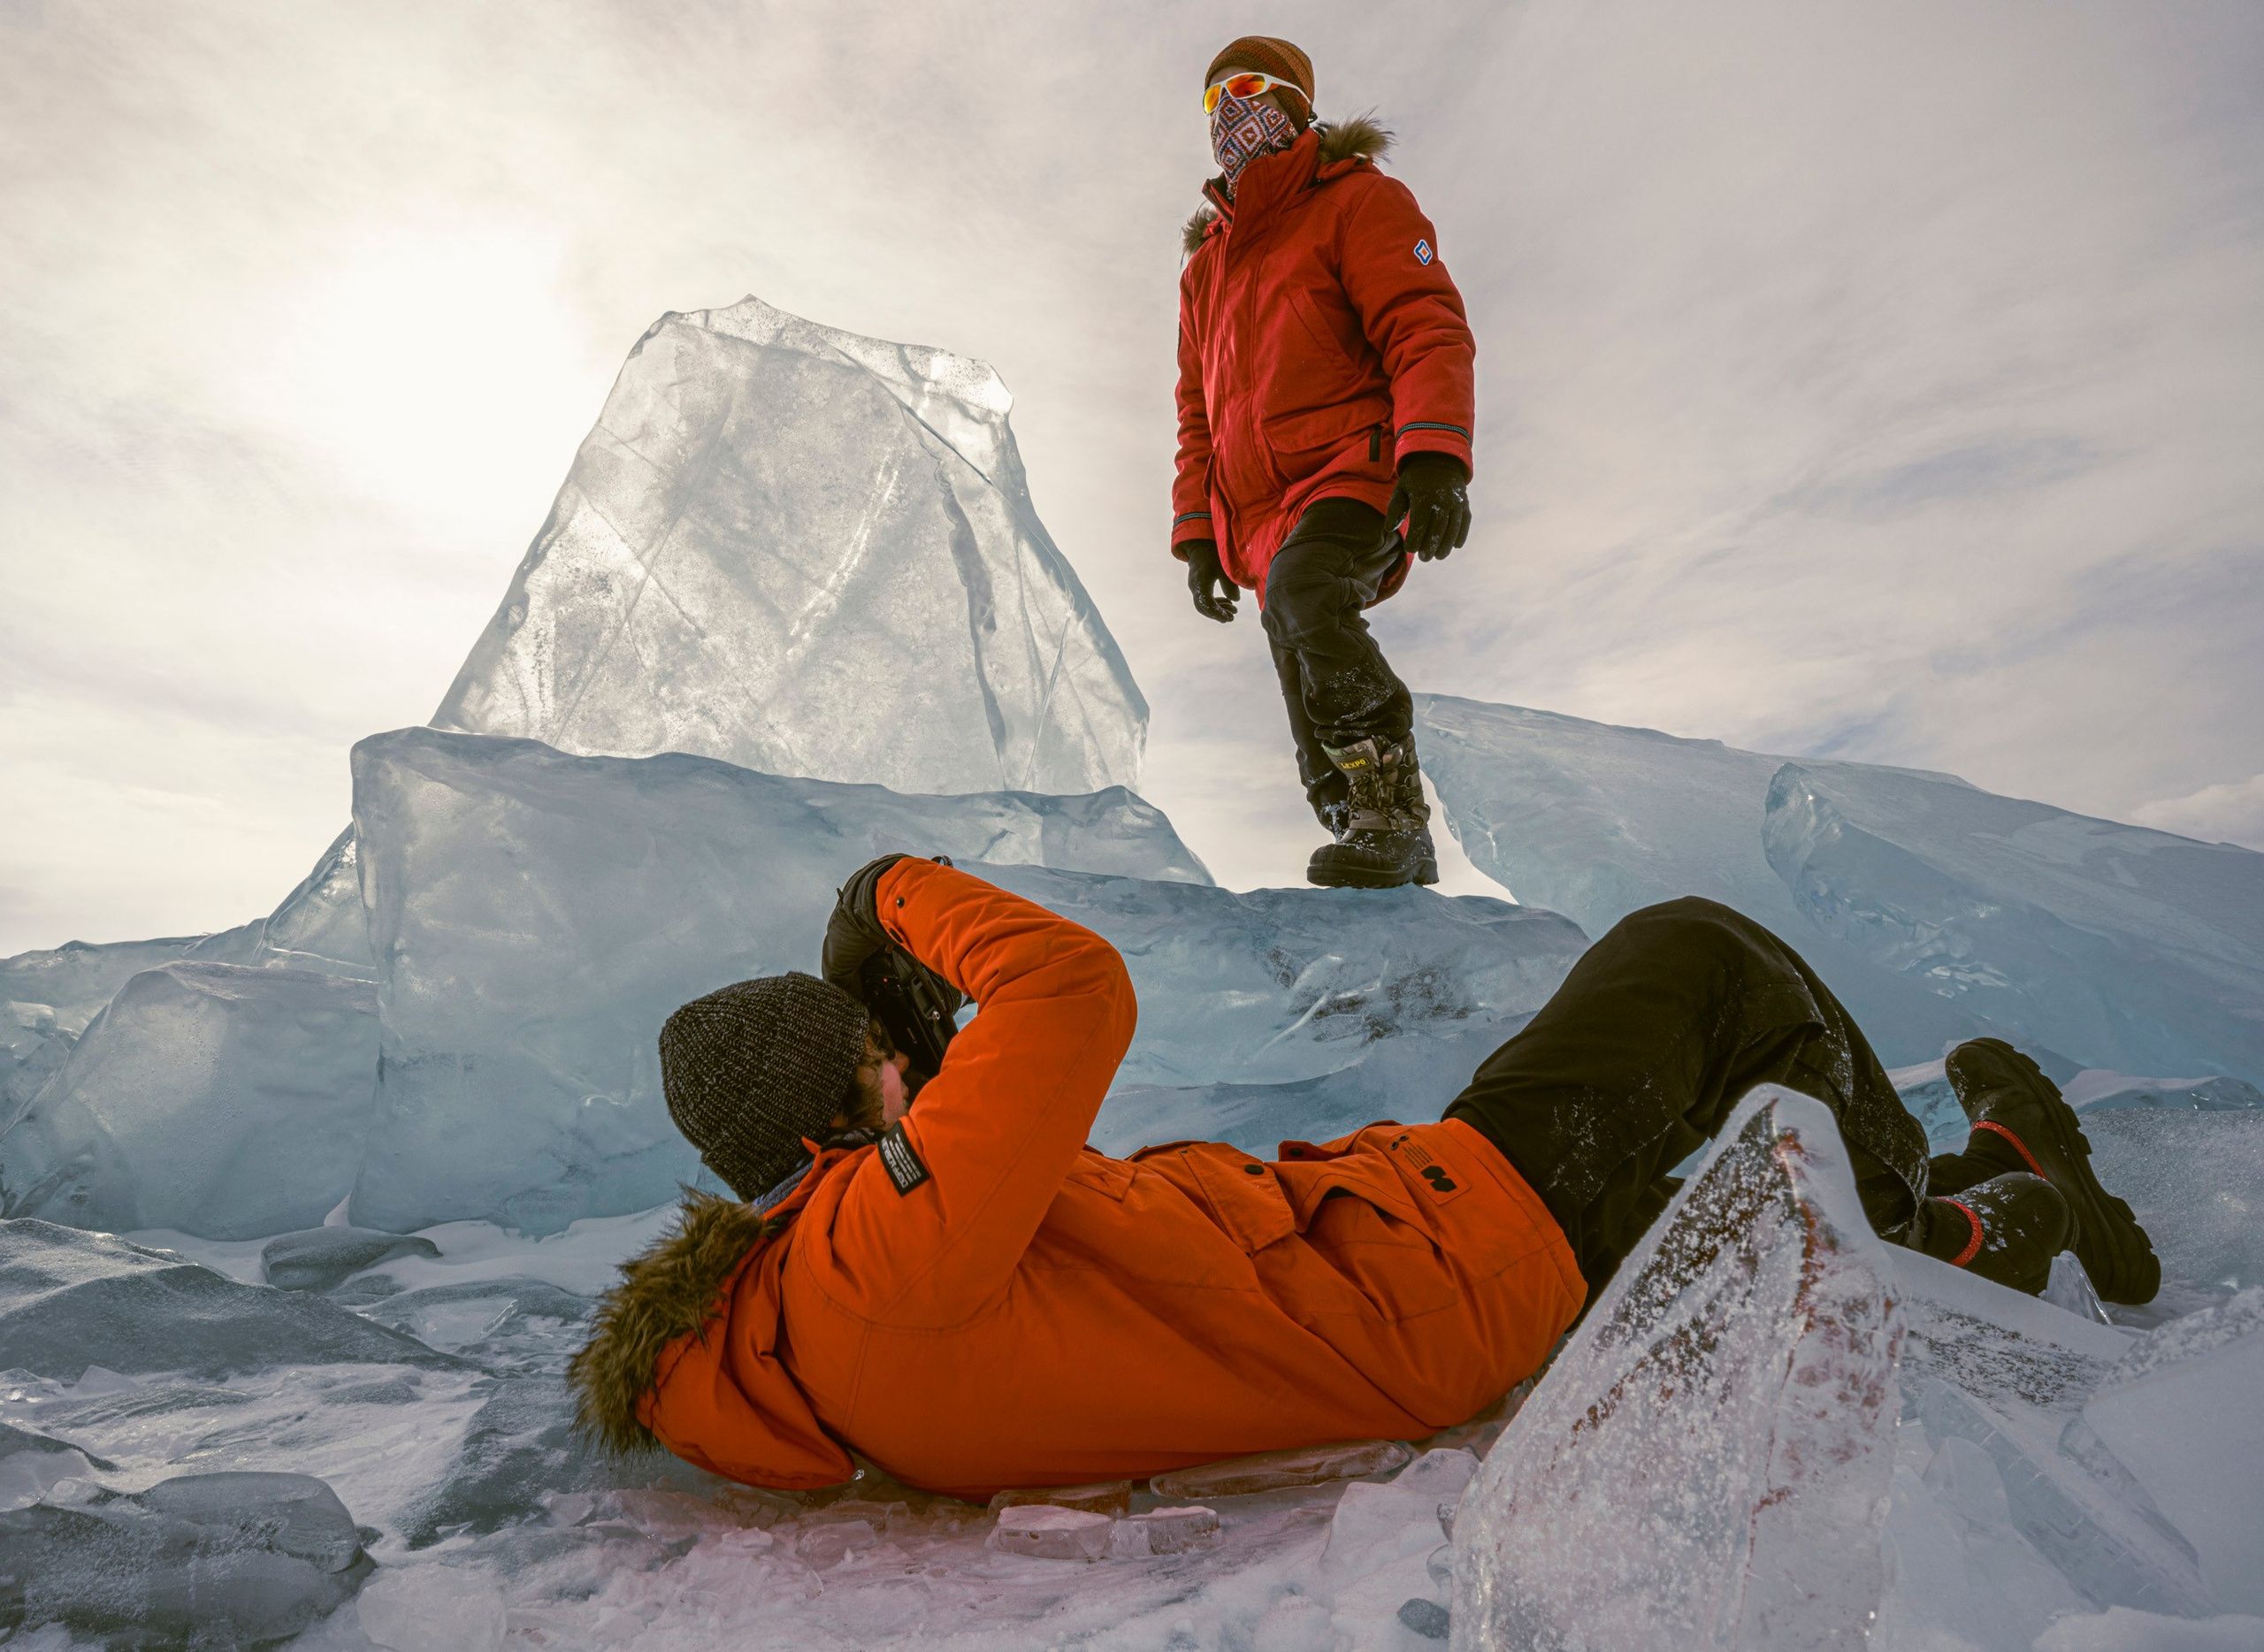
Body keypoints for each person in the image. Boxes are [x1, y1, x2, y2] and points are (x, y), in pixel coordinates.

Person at [568, 857, 2157, 1500]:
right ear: (828, 1127)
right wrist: (883, 892)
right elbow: (1071, 987)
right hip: (1458, 1256)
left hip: (1425, 1270)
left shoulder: (794, 1327)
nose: (908, 1066)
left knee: (1738, 1126)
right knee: (1701, 953)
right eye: (875, 1059)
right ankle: (1946, 1209)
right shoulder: (881, 1257)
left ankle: (1994, 1190)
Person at [1172, 36, 1476, 890]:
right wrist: (1198, 532)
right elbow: (1197, 411)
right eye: (1215, 99)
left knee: (1310, 594)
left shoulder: (1353, 201)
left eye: (1254, 88)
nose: (1234, 108)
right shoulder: (1205, 271)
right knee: (1293, 641)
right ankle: (1356, 822)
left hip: (1358, 463)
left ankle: (1392, 804)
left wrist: (1437, 454)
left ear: (1301, 102)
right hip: (1261, 511)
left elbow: (1423, 323)